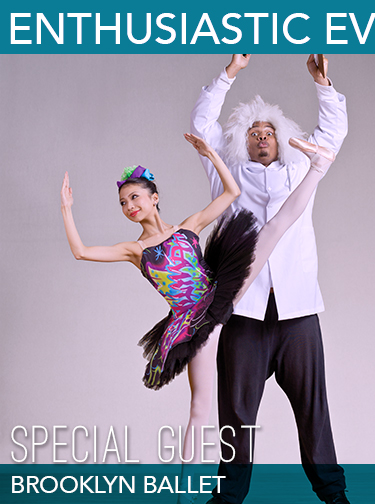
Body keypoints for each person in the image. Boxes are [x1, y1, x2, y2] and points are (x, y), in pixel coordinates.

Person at [60, 131, 337, 498]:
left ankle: (319, 166)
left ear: (154, 199)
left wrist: (209, 152)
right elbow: (80, 252)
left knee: (271, 231)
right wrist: (66, 209)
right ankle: (184, 494)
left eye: (135, 197)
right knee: (199, 409)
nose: (129, 206)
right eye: (123, 203)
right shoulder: (134, 249)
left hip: (221, 296)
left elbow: (232, 193)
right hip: (193, 325)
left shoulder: (187, 227)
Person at [190, 55, 350, 504]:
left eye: (268, 132)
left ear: (281, 139)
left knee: (313, 412)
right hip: (244, 314)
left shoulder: (301, 168)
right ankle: (227, 499)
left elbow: (333, 134)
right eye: (252, 133)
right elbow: (203, 126)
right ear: (242, 142)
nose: (261, 137)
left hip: (297, 313)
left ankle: (335, 496)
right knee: (236, 415)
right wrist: (229, 74)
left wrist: (322, 85)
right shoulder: (227, 173)